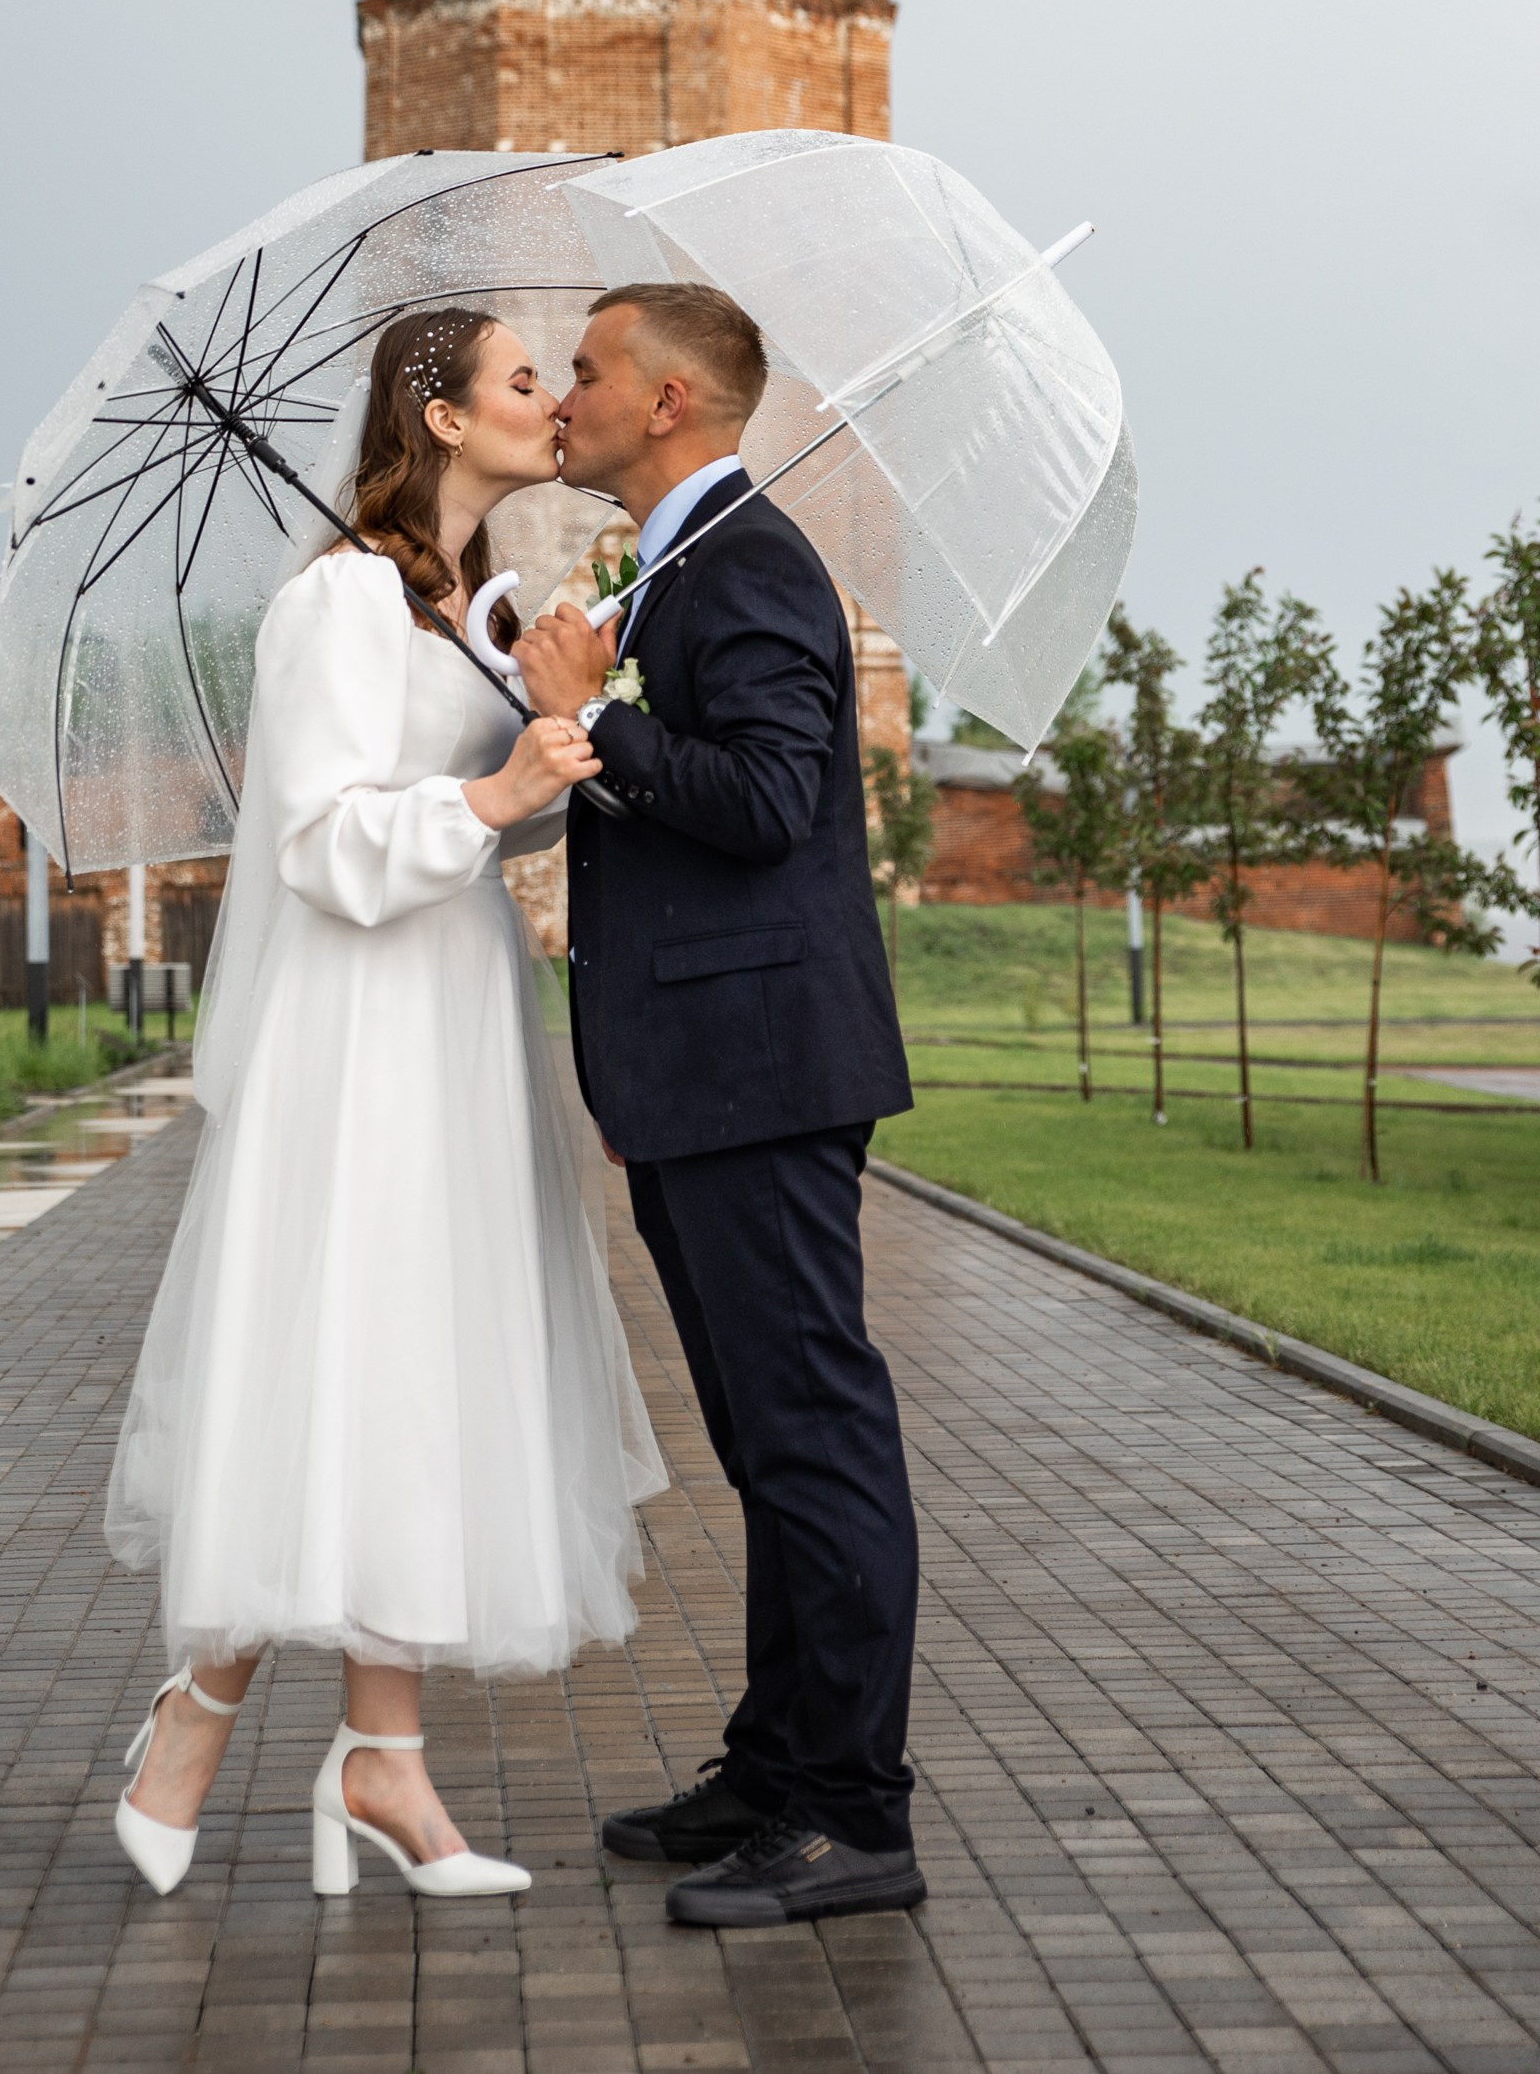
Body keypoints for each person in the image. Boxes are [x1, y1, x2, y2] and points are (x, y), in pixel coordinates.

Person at [104, 305, 664, 1905]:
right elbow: (321, 845)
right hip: (362, 1034)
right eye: (518, 378)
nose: (551, 397)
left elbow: (495, 818)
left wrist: (558, 730)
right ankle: (203, 1718)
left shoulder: (464, 611)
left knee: (428, 1366)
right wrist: (499, 792)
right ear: (433, 416)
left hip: (459, 1015)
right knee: (337, 1356)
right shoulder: (341, 601)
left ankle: (385, 1760)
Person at [517, 283, 923, 1930]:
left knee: (813, 1435)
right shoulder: (679, 567)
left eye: (594, 372)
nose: (567, 398)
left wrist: (598, 719)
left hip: (761, 1074)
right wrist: (590, 695)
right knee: (768, 1443)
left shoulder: (747, 564)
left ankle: (851, 1813)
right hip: (704, 1075)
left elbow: (767, 800)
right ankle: (775, 1763)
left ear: (672, 399)